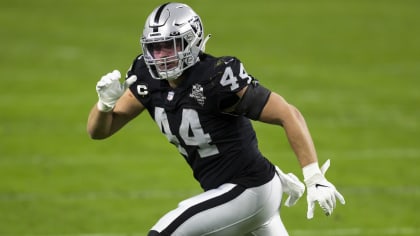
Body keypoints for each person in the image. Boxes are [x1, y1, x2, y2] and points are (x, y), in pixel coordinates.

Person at [87, 2, 345, 235]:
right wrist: (104, 105)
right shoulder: (147, 78)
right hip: (237, 191)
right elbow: (99, 131)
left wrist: (314, 177)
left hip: (249, 189)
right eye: (155, 48)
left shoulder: (217, 78)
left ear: (192, 41)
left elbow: (289, 114)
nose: (162, 55)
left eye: (170, 45)